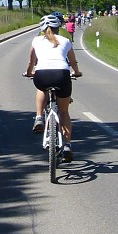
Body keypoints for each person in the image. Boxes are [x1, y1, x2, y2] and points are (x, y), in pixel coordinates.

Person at [24, 14, 82, 162]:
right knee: (64, 112)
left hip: (41, 75)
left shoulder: (36, 40)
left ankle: (38, 118)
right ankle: (67, 145)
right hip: (62, 75)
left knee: (41, 88)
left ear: (42, 29)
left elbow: (31, 61)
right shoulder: (65, 41)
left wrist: (30, 73)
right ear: (58, 27)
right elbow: (73, 61)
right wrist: (76, 72)